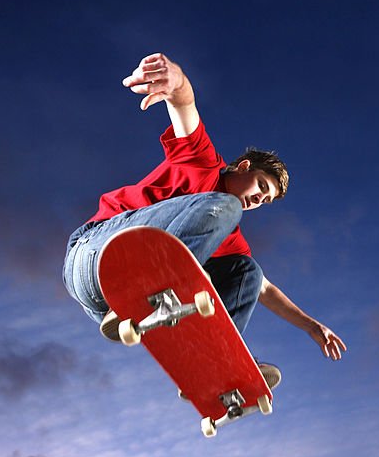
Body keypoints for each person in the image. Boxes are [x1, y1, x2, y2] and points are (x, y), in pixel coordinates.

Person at [62, 53, 346, 390]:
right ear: (243, 167)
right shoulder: (203, 161)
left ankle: (214, 364)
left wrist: (312, 327)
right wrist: (178, 81)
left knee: (248, 271)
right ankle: (149, 285)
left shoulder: (225, 230)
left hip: (107, 307)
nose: (259, 200)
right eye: (261, 187)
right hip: (93, 252)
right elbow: (184, 106)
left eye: (266, 201)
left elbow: (265, 290)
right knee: (225, 207)